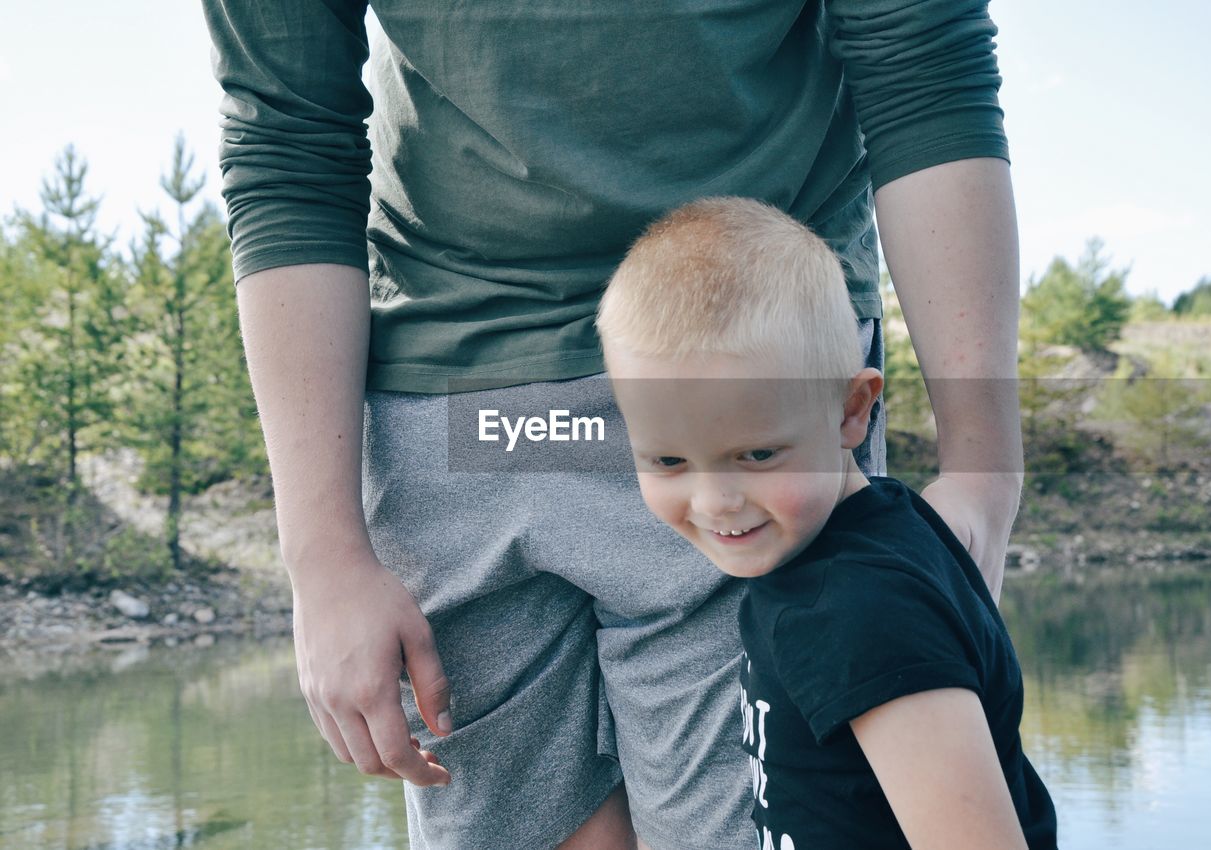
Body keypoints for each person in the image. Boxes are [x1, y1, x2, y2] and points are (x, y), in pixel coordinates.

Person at [200, 1, 1024, 847]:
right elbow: (285, 133)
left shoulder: (765, 493)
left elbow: (923, 62)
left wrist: (984, 468)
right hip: (453, 399)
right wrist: (322, 553)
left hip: (755, 371)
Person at [598, 196, 1056, 850]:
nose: (717, 501)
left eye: (756, 454)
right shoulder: (874, 535)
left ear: (852, 411)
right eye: (669, 460)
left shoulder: (860, 615)